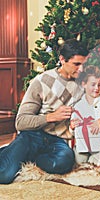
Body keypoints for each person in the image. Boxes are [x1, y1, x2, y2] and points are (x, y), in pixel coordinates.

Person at [0, 39, 89, 184]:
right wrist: (51, 117)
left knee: (64, 162)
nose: (81, 69)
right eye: (76, 64)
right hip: (32, 136)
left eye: (84, 64)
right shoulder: (41, 81)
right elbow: (21, 122)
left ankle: (23, 155)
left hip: (57, 141)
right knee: (4, 175)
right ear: (62, 59)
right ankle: (12, 151)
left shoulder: (83, 85)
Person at [70, 65, 100, 164]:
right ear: (84, 84)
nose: (96, 88)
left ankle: (93, 161)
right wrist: (72, 127)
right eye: (93, 85)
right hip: (82, 143)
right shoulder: (79, 104)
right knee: (78, 161)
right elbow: (74, 126)